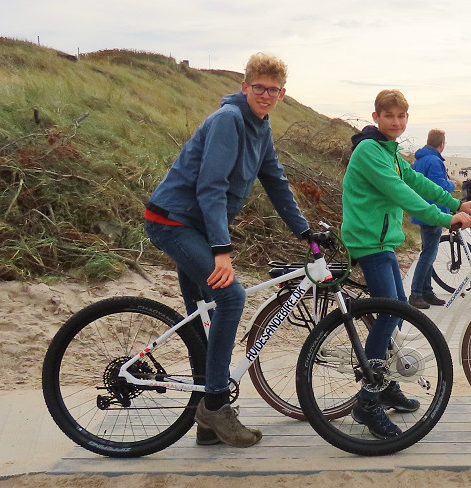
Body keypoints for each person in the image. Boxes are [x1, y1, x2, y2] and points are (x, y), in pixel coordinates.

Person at [143, 52, 309, 448]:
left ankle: (205, 419)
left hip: (195, 226)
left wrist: (306, 233)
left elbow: (277, 183)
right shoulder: (229, 121)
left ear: (282, 94)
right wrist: (222, 250)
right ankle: (216, 405)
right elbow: (211, 187)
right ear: (244, 87)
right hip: (174, 222)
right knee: (232, 298)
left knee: (205, 317)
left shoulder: (261, 127)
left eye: (274, 90)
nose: (266, 95)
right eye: (259, 88)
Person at [341, 89, 471, 438]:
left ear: (407, 118)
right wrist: (446, 219)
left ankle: (383, 387)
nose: (396, 122)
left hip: (382, 242)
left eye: (401, 116)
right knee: (391, 312)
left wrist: (456, 203)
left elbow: (417, 181)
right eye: (389, 116)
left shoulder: (390, 152)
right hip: (368, 243)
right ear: (376, 118)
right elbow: (402, 194)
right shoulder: (370, 151)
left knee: (395, 311)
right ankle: (368, 401)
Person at [408, 129, 455, 309]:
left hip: (422, 210)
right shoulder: (434, 161)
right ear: (441, 144)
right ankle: (416, 293)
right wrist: (452, 184)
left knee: (428, 251)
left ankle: (426, 291)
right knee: (428, 255)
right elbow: (439, 187)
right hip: (432, 212)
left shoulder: (420, 160)